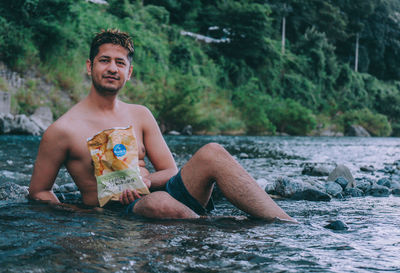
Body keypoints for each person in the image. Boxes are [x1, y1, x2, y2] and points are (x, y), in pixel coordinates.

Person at [29, 29, 295, 222]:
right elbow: (39, 192)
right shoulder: (63, 130)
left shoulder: (140, 114)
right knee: (159, 202)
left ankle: (286, 225)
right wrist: (79, 214)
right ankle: (213, 232)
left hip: (160, 194)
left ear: (129, 73)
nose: (112, 68)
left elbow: (169, 170)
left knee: (213, 152)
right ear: (90, 67)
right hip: (117, 214)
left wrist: (145, 178)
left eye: (120, 63)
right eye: (104, 60)